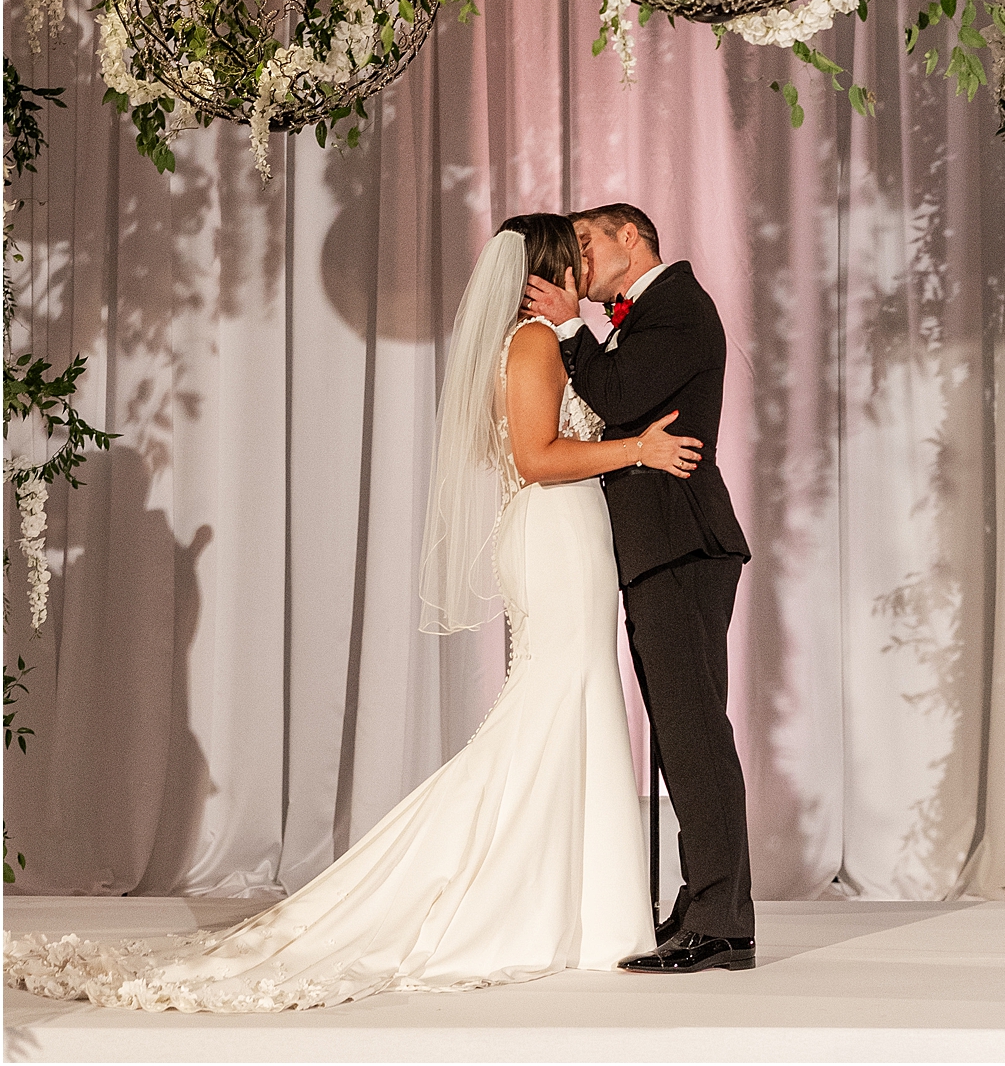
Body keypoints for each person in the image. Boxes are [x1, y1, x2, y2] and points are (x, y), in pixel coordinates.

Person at [4, 215, 700, 1012]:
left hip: (560, 538)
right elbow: (536, 457)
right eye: (571, 257)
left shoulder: (532, 342)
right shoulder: (535, 343)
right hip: (554, 533)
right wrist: (636, 450)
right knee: (554, 707)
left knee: (566, 706)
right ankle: (549, 903)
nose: (583, 267)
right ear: (544, 271)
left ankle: (587, 909)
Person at [524, 203, 755, 975]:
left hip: (684, 542)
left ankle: (722, 919)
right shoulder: (640, 316)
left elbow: (619, 396)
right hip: (659, 548)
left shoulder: (679, 304)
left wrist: (566, 327)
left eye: (586, 241)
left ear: (632, 237)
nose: (576, 259)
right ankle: (702, 903)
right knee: (680, 735)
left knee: (694, 733)